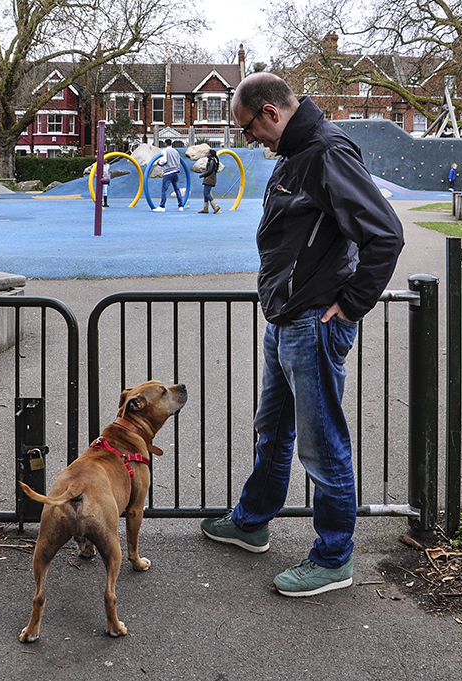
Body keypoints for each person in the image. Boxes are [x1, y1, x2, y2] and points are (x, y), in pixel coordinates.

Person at [199, 72, 404, 597]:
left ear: (270, 112)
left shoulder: (325, 153)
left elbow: (385, 233)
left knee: (322, 442)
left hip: (314, 320)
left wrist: (350, 305)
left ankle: (334, 557)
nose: (248, 140)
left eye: (248, 128)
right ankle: (252, 521)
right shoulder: (295, 154)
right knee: (274, 425)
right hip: (289, 317)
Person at [152, 139, 184, 212]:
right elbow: (178, 161)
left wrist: (159, 163)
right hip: (175, 172)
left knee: (164, 190)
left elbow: (164, 160)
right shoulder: (176, 151)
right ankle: (180, 206)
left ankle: (162, 206)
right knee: (177, 189)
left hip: (168, 172)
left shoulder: (164, 151)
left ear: (165, 144)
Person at [198, 148, 222, 214]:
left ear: (210, 154)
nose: (207, 154)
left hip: (210, 178)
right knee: (205, 193)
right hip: (210, 178)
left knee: (206, 193)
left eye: (208, 153)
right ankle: (205, 208)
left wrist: (203, 175)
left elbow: (210, 170)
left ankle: (216, 206)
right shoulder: (213, 160)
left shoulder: (211, 161)